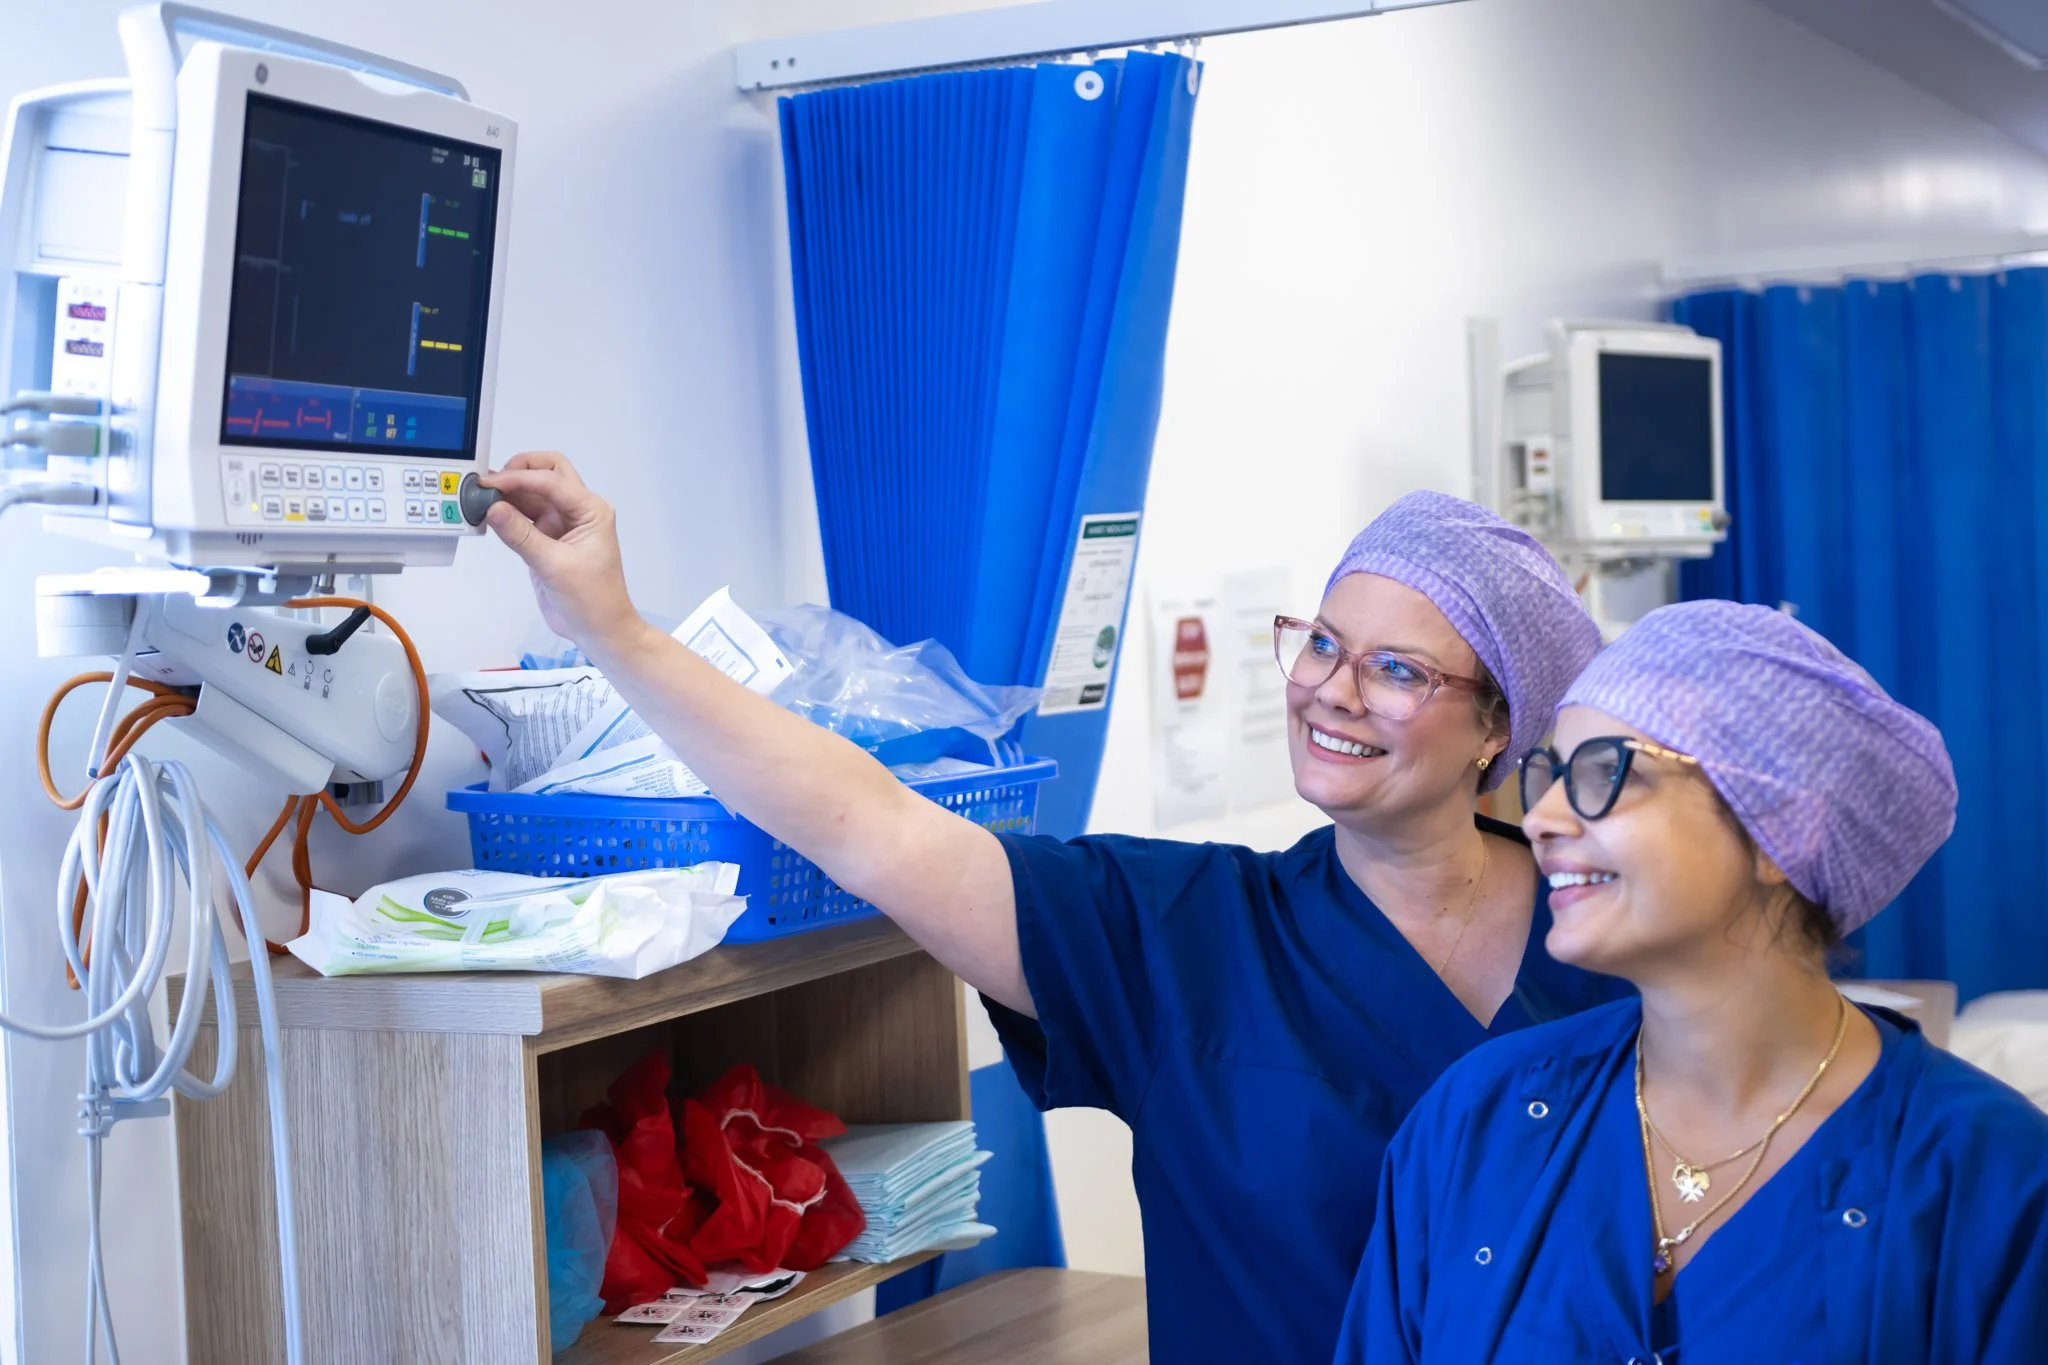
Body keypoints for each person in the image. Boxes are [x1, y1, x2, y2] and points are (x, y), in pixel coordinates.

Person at [480, 451, 1630, 1363]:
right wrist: (613, 629)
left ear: (1498, 727)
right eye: (1320, 643)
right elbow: (867, 823)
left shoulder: (1618, 944)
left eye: (1396, 670)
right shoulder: (1178, 937)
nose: (1330, 688)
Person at [1337, 600, 2048, 1365]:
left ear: (1785, 832)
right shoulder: (1477, 1119)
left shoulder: (1992, 1183)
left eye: (1606, 772)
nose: (1539, 817)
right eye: (1549, 774)